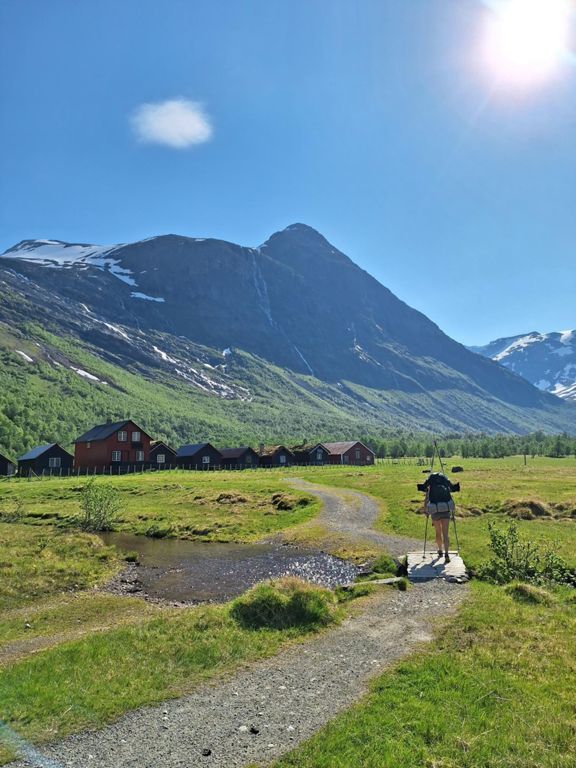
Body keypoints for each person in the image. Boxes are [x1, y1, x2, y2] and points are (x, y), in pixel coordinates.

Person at [417, 472, 459, 562]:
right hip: (446, 510)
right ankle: (447, 554)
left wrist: (426, 510)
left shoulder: (430, 485)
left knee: (438, 532)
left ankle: (440, 550)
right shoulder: (445, 483)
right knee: (445, 534)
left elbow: (427, 498)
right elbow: (451, 495)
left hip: (435, 511)